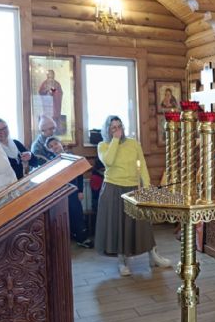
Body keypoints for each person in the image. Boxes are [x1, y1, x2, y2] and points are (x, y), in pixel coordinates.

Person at [95, 115, 171, 276]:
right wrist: (115, 140)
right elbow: (108, 161)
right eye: (113, 128)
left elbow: (142, 165)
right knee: (119, 225)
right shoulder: (103, 145)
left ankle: (153, 256)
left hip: (133, 188)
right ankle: (122, 261)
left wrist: (147, 186)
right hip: (113, 189)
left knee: (143, 223)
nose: (118, 130)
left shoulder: (133, 144)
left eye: (119, 126)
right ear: (107, 130)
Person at [45, 136, 93, 248]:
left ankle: (82, 238)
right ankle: (65, 239)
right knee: (62, 216)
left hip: (73, 191)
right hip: (59, 193)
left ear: (60, 143)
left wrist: (80, 191)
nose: (54, 147)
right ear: (49, 150)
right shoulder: (51, 162)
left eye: (55, 144)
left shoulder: (71, 157)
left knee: (77, 214)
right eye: (51, 147)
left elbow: (79, 174)